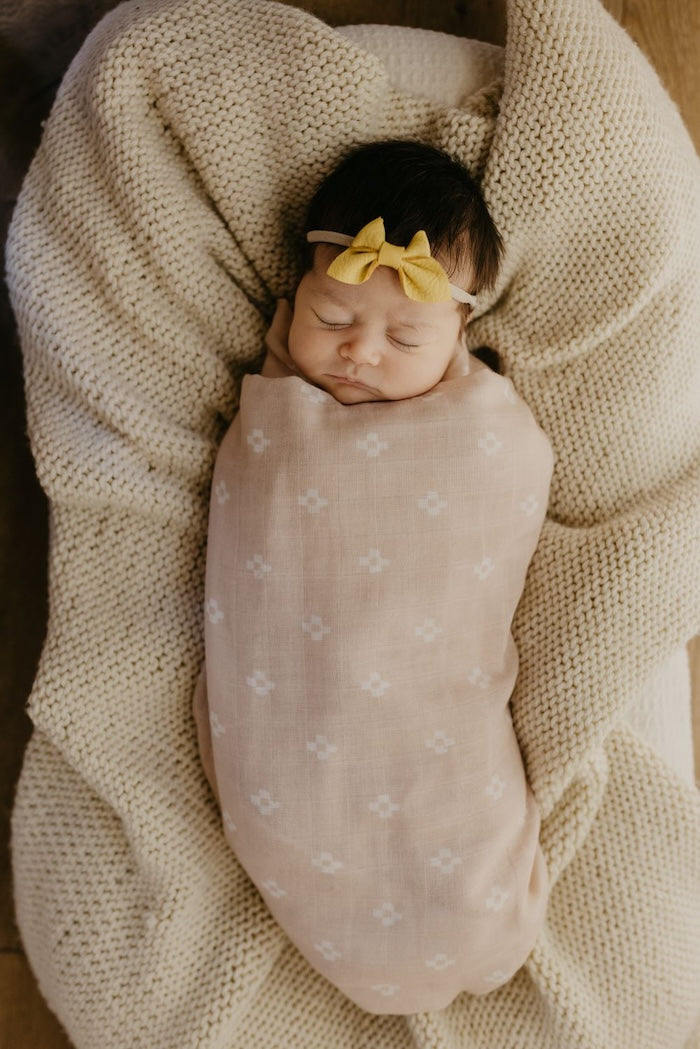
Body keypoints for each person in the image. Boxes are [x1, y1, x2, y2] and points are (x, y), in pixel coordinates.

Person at [194, 140, 554, 1015]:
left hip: (428, 719)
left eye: (404, 336)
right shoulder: (280, 415)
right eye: (332, 319)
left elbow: (507, 484)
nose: (359, 353)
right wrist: (283, 389)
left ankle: (469, 906)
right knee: (305, 793)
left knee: (448, 796)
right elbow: (260, 520)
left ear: (459, 337)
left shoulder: (483, 432)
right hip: (296, 721)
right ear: (294, 301)